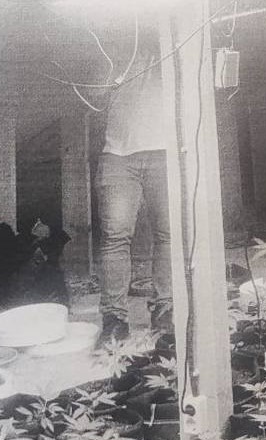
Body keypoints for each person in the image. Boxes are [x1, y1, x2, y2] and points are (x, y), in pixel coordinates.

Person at [97, 26, 172, 341]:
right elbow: (94, 94)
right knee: (115, 237)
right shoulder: (112, 41)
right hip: (119, 154)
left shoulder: (172, 38)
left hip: (166, 152)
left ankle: (166, 308)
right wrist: (116, 60)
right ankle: (114, 318)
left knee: (168, 235)